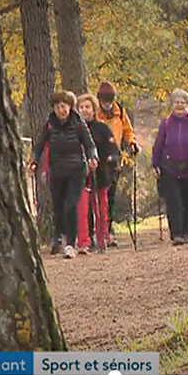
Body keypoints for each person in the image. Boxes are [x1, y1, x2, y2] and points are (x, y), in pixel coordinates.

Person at [29, 91, 98, 259]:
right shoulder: (50, 124)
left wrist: (92, 157)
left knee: (71, 205)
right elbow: (39, 145)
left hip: (76, 170)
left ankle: (70, 244)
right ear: (54, 108)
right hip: (57, 171)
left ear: (69, 107)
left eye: (64, 106)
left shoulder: (78, 123)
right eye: (58, 107)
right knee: (58, 207)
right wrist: (34, 161)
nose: (62, 110)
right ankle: (58, 236)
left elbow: (89, 143)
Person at [151, 89, 188, 246]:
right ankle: (176, 233)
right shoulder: (166, 123)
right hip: (170, 168)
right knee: (174, 201)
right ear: (172, 105)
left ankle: (186, 231)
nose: (180, 105)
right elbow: (158, 145)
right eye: (177, 102)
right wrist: (155, 164)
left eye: (183, 102)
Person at [96, 80, 141, 247]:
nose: (107, 104)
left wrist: (132, 143)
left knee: (111, 195)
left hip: (114, 158)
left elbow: (128, 130)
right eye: (104, 101)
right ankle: (98, 231)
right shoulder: (95, 113)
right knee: (98, 195)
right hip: (98, 157)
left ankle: (108, 230)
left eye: (110, 101)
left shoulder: (119, 112)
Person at [76, 93, 120, 254]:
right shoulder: (75, 130)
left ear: (94, 109)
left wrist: (112, 159)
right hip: (80, 175)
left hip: (100, 174)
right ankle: (84, 241)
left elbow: (112, 147)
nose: (84, 110)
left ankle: (102, 238)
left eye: (87, 107)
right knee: (82, 209)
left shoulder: (102, 128)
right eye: (81, 107)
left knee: (101, 208)